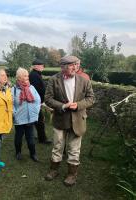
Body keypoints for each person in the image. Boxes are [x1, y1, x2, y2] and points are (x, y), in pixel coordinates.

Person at [44, 55, 95, 186]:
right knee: (57, 146)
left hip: (78, 120)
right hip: (60, 119)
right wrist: (62, 106)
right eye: (71, 65)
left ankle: (72, 174)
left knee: (74, 149)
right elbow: (48, 99)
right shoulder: (54, 80)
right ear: (63, 67)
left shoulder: (84, 80)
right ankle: (53, 170)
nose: (75, 67)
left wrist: (78, 105)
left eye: (76, 64)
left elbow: (91, 98)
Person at [12, 67, 41, 162]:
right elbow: (10, 104)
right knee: (18, 138)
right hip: (19, 118)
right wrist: (14, 113)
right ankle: (18, 153)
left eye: (27, 75)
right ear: (19, 78)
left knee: (31, 139)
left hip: (30, 118)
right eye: (25, 76)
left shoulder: (31, 88)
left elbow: (38, 100)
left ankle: (33, 154)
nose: (27, 77)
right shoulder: (14, 90)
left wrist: (36, 112)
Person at [29, 58, 52, 144]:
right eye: (41, 65)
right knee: (40, 121)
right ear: (36, 66)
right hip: (35, 102)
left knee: (35, 120)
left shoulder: (36, 74)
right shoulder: (34, 75)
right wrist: (41, 99)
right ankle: (42, 139)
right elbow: (36, 90)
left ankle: (32, 135)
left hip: (36, 102)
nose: (43, 67)